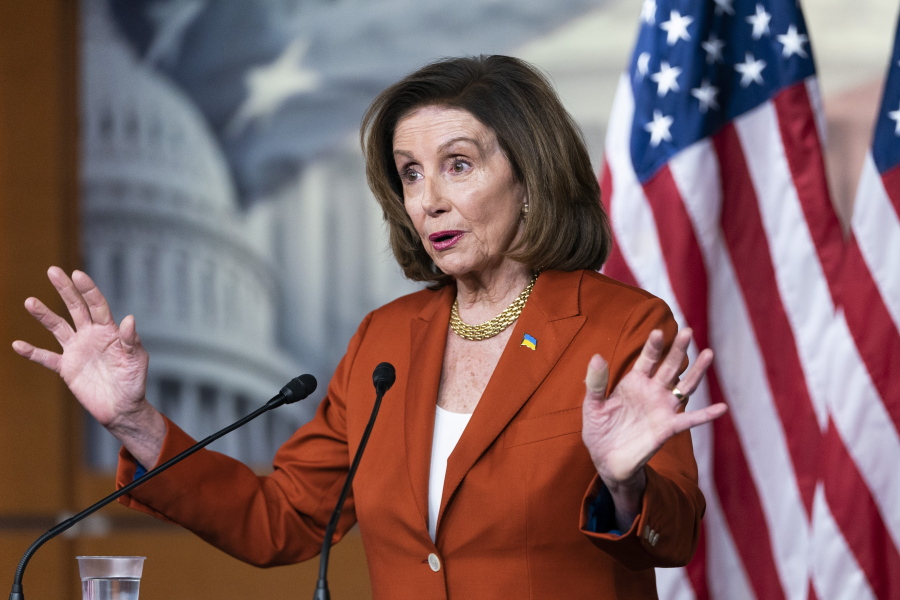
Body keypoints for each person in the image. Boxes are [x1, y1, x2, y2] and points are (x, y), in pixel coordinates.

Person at [13, 55, 727, 598]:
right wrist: (134, 422)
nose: (430, 200)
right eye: (411, 174)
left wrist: (624, 484)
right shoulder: (386, 340)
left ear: (532, 177)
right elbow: (282, 518)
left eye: (458, 165)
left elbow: (676, 536)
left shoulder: (620, 326)